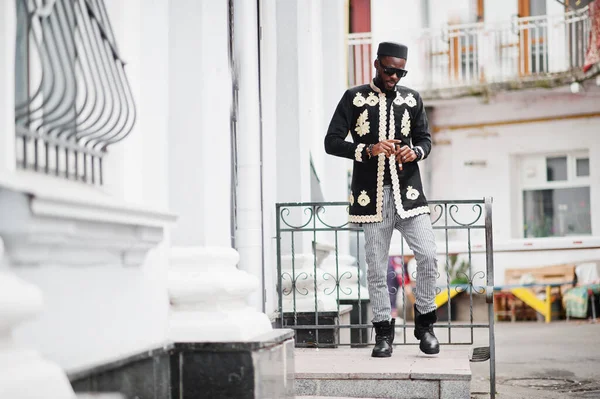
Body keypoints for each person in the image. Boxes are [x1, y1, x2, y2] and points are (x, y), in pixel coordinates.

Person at [324, 41, 439, 357]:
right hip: (370, 198)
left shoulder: (412, 99)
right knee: (376, 267)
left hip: (410, 196)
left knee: (428, 255)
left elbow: (426, 140)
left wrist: (414, 151)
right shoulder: (354, 98)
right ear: (377, 64)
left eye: (401, 72)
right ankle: (383, 335)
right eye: (390, 70)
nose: (395, 77)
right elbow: (331, 142)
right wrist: (367, 150)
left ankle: (425, 325)